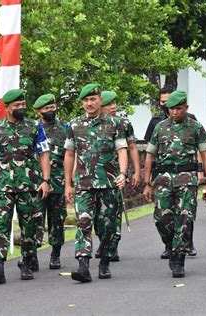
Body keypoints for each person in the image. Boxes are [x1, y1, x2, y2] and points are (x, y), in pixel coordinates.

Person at [0, 88, 51, 284]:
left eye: (23, 105)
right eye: (17, 105)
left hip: (30, 186)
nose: (21, 108)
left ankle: (26, 263)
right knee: (0, 226)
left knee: (29, 227)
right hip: (3, 187)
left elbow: (44, 154)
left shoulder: (35, 127)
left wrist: (46, 180)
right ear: (7, 107)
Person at [143, 90, 206, 278]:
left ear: (186, 108)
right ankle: (170, 244)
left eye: (179, 109)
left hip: (187, 178)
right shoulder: (160, 127)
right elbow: (150, 156)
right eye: (171, 109)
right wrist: (147, 183)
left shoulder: (196, 127)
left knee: (184, 218)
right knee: (161, 219)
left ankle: (179, 258)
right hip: (163, 179)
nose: (175, 112)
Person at [64, 83, 128, 282]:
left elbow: (122, 149)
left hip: (108, 183)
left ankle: (105, 262)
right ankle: (83, 265)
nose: (89, 103)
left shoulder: (114, 124)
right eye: (85, 100)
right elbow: (69, 154)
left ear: (100, 100)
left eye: (93, 99)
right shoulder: (74, 126)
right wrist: (68, 183)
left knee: (107, 225)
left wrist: (123, 173)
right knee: (83, 222)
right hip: (84, 184)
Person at [100, 90, 141, 262]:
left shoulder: (122, 123)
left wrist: (136, 170)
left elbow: (132, 147)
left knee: (114, 209)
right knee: (97, 213)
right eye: (109, 104)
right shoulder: (86, 125)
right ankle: (103, 241)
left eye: (114, 103)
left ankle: (112, 245)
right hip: (95, 174)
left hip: (116, 173)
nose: (113, 106)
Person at [31, 93, 68, 270]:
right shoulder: (32, 129)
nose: (50, 111)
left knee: (58, 220)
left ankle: (55, 254)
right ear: (39, 111)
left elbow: (71, 155)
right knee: (35, 219)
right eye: (47, 109)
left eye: (53, 108)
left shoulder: (65, 129)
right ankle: (32, 254)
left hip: (58, 183)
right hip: (36, 183)